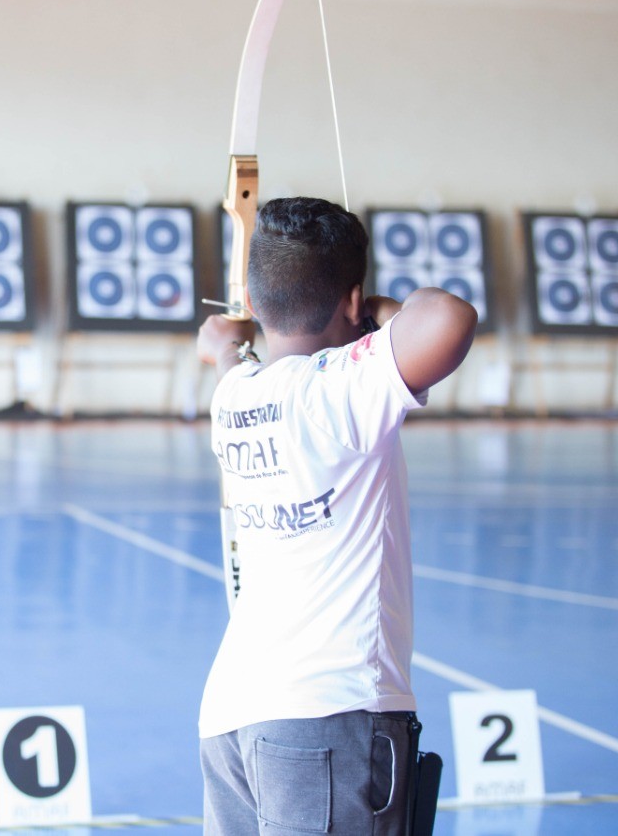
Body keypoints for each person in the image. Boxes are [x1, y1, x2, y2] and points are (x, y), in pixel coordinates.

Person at [195, 197, 477, 836]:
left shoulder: (235, 393)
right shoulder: (340, 389)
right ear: (351, 300)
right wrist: (370, 312)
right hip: (329, 714)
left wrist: (233, 337)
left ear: (258, 299)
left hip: (231, 717)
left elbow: (229, 353)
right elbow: (447, 317)